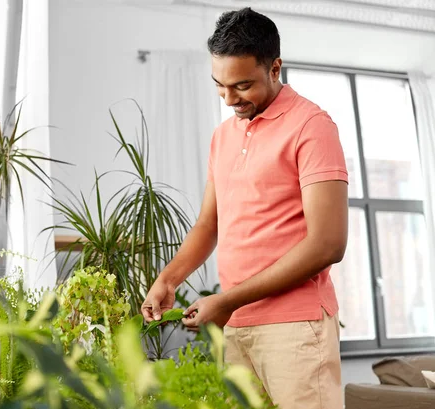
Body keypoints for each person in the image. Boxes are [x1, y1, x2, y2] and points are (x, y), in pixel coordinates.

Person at [140, 7, 348, 409]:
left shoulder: (312, 127)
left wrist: (228, 300)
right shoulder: (223, 136)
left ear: (275, 68)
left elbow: (328, 244)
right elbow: (208, 223)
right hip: (238, 327)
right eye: (220, 86)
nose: (229, 99)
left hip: (297, 328)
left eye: (242, 86)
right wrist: (168, 279)